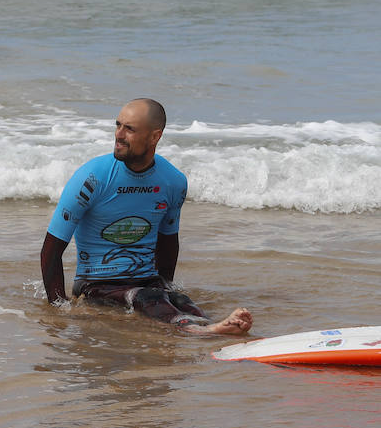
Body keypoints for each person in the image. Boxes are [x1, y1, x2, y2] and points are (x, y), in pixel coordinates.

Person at [39, 98, 252, 335]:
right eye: (118, 125)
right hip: (96, 285)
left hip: (146, 281)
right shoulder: (92, 178)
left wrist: (166, 287)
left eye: (129, 129)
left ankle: (211, 323)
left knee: (179, 300)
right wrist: (59, 308)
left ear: (154, 137)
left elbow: (168, 242)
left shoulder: (173, 181)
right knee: (147, 297)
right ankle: (199, 331)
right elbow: (51, 249)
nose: (119, 134)